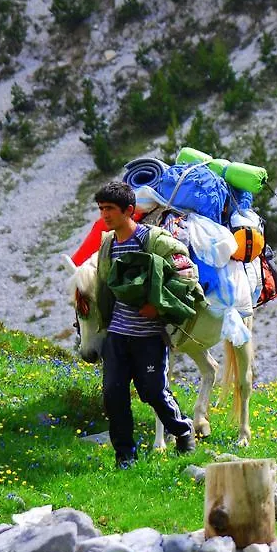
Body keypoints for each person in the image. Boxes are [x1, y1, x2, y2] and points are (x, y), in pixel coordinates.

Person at [82, 181, 198, 469]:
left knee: (153, 391)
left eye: (109, 209)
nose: (104, 215)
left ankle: (183, 430)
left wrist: (158, 306)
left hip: (148, 337)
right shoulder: (108, 243)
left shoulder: (154, 240)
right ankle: (125, 457)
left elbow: (187, 273)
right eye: (101, 209)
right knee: (113, 395)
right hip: (118, 336)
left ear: (129, 210)